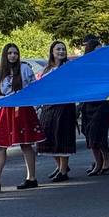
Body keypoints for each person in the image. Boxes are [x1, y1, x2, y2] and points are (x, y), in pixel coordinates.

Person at [0, 43, 43, 193]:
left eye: (15, 53)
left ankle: (31, 178)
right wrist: (4, 98)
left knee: (26, 144)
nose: (13, 56)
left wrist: (24, 98)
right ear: (5, 56)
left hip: (23, 110)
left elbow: (33, 87)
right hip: (7, 110)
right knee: (0, 146)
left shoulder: (25, 69)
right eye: (9, 53)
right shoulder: (1, 72)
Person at [36, 41, 76, 182]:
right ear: (52, 52)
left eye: (63, 49)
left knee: (62, 136)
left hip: (65, 106)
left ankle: (63, 170)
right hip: (48, 106)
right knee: (48, 136)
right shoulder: (47, 69)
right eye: (58, 49)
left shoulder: (69, 67)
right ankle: (60, 166)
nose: (61, 51)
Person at [79, 36, 109, 176]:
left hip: (103, 103)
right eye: (96, 50)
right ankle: (98, 161)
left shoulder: (106, 66)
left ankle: (105, 159)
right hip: (89, 103)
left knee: (97, 132)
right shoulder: (85, 66)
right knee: (88, 133)